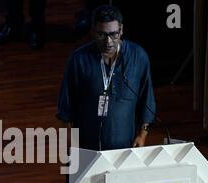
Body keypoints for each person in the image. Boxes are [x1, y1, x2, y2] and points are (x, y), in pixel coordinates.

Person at [57, 5, 156, 152]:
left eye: (114, 34)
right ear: (92, 32)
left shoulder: (138, 57)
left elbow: (147, 100)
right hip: (85, 148)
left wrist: (142, 135)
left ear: (121, 30)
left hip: (125, 150)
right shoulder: (78, 60)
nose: (108, 41)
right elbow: (66, 108)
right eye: (102, 35)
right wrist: (73, 143)